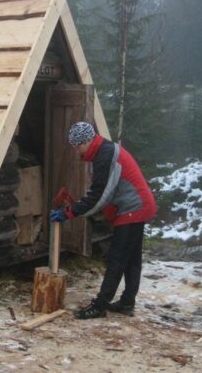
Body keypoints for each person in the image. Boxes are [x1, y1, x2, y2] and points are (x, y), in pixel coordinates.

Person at [49, 122, 157, 319]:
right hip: (136, 206)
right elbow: (101, 193)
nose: (76, 150)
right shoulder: (100, 153)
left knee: (117, 258)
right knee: (131, 259)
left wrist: (69, 212)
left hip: (133, 208)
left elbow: (100, 196)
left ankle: (100, 305)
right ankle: (127, 302)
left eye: (78, 145)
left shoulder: (105, 155)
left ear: (89, 141)